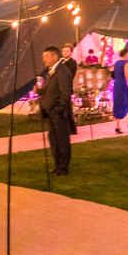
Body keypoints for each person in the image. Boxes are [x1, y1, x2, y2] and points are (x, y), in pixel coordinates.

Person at [38, 46, 75, 176]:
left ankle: (63, 167)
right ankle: (57, 165)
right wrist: (39, 90)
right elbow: (50, 90)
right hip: (51, 113)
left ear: (55, 57)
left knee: (62, 140)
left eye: (46, 57)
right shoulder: (51, 71)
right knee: (54, 140)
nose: (44, 60)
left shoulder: (63, 71)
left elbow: (65, 93)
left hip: (59, 113)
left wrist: (58, 109)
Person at [112, 43, 128, 133]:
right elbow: (126, 75)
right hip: (123, 85)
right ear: (126, 54)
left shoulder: (116, 63)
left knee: (118, 104)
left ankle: (118, 126)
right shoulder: (126, 63)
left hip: (116, 85)